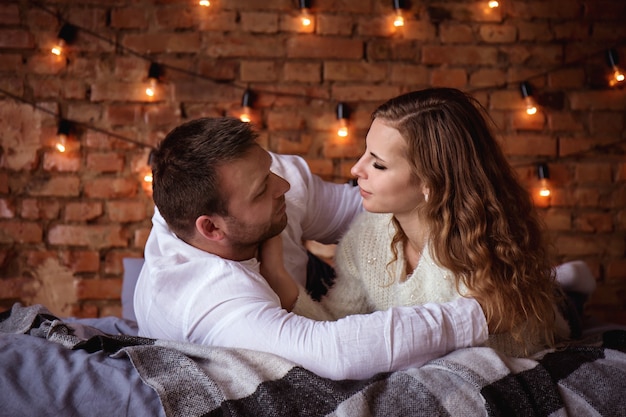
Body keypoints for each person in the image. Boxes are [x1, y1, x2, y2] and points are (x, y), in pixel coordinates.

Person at [133, 116, 489, 381]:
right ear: (211, 228)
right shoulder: (209, 300)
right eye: (262, 190)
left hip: (305, 279)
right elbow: (333, 351)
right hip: (273, 315)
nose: (283, 185)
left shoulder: (264, 179)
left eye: (270, 169)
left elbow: (367, 209)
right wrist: (479, 314)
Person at [264, 88, 576, 357]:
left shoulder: (475, 252)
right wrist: (276, 273)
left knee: (565, 306)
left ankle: (572, 284)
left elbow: (495, 355)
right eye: (365, 153)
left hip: (530, 339)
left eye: (379, 164)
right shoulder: (366, 236)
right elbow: (336, 327)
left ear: (431, 183)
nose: (356, 169)